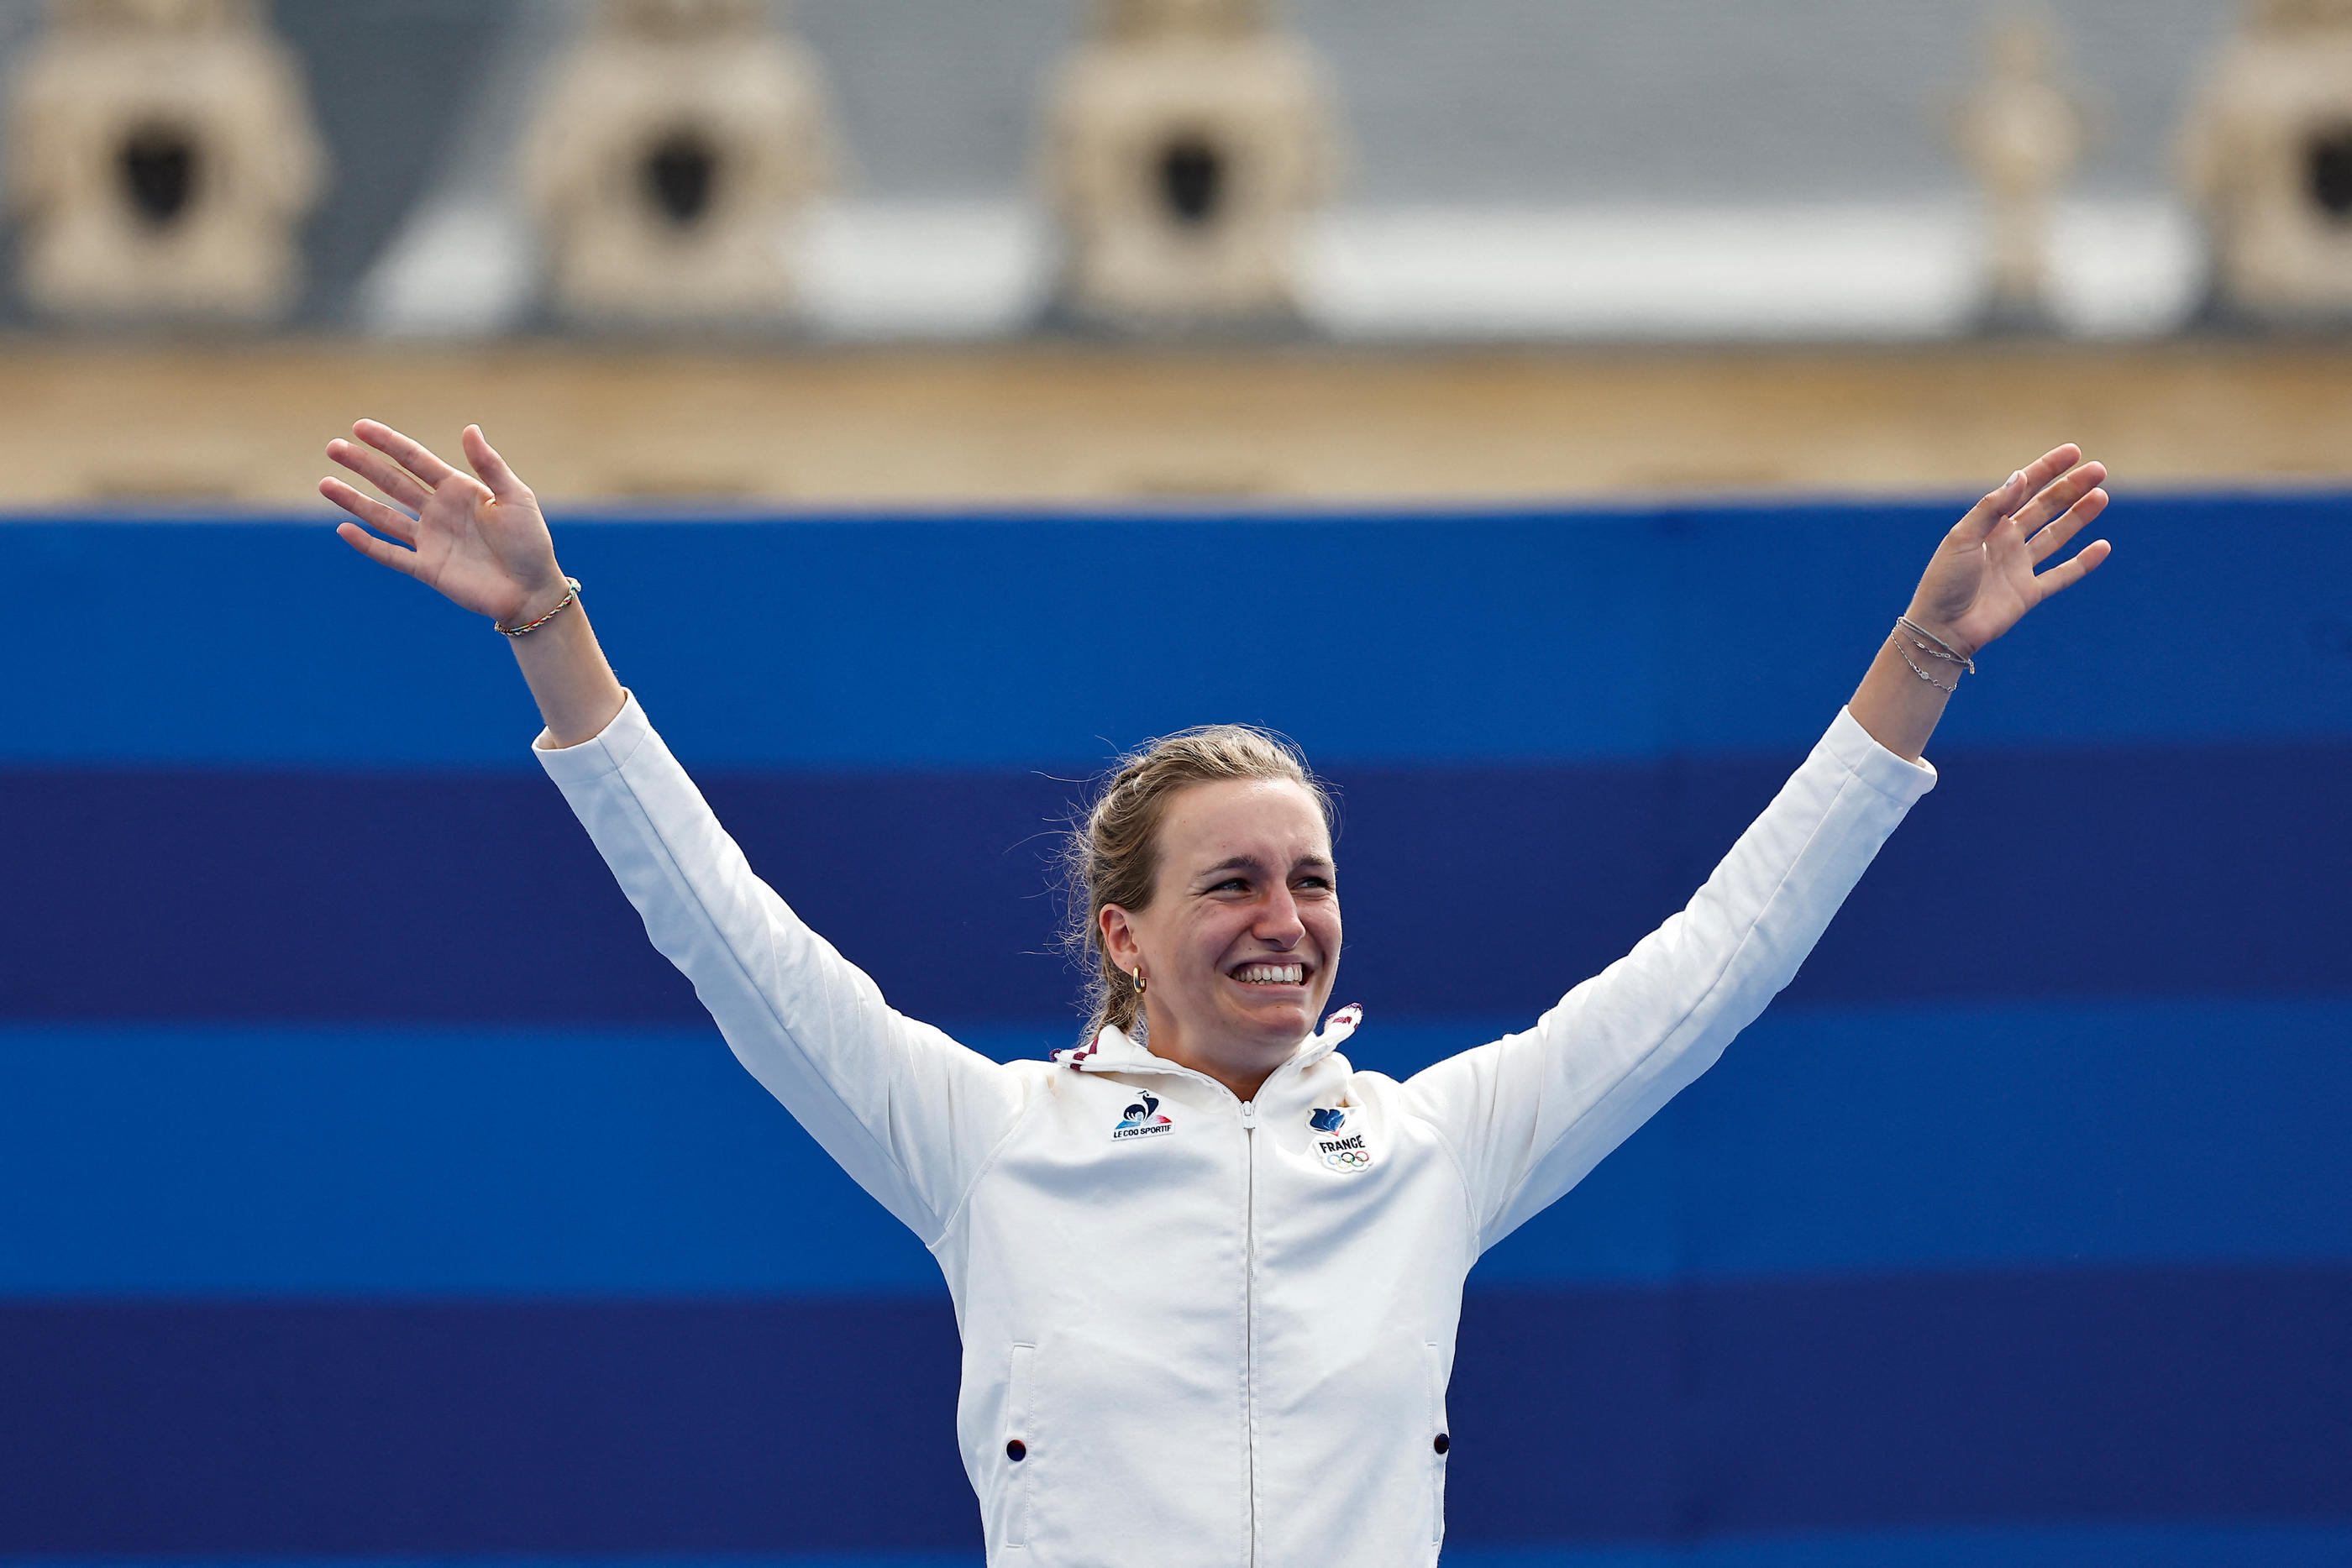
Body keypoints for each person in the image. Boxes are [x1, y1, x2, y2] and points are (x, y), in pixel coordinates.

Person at [321, 422, 2111, 1568]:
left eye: (1311, 879)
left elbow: (1722, 955)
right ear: (1122, 931)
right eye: (1234, 881)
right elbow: (722, 927)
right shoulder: (979, 1144)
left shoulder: (1430, 1148)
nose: (1283, 918)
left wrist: (1923, 655)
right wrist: (545, 625)